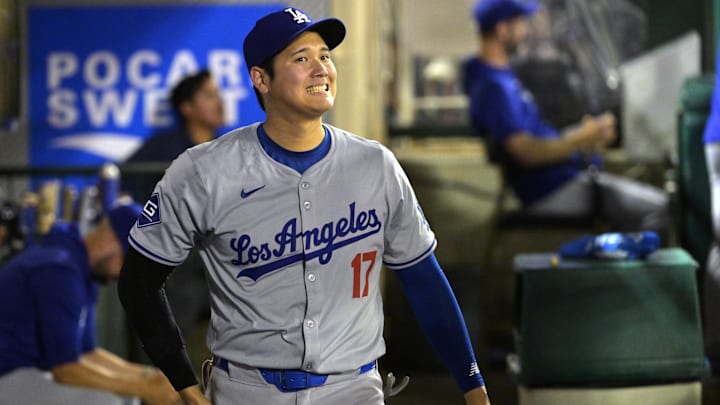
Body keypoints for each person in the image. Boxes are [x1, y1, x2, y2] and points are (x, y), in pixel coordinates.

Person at [118, 6, 491, 405]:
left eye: (325, 56)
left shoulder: (375, 164)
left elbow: (424, 280)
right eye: (301, 58)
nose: (321, 68)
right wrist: (185, 386)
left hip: (354, 388)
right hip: (247, 391)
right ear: (261, 79)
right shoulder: (204, 170)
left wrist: (473, 385)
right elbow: (139, 283)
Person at [463, 0, 668, 232]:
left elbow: (535, 136)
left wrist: (584, 135)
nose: (526, 30)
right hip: (548, 189)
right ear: (502, 30)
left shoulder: (504, 77)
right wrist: (579, 139)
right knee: (661, 208)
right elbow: (526, 152)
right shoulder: (493, 86)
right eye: (520, 23)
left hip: (562, 179)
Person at [0, 202, 180, 405]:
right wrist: (144, 388)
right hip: (7, 374)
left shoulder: (80, 267)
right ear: (108, 241)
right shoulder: (60, 270)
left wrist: (148, 376)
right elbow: (65, 370)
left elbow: (87, 353)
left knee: (125, 396)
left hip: (29, 370)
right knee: (108, 402)